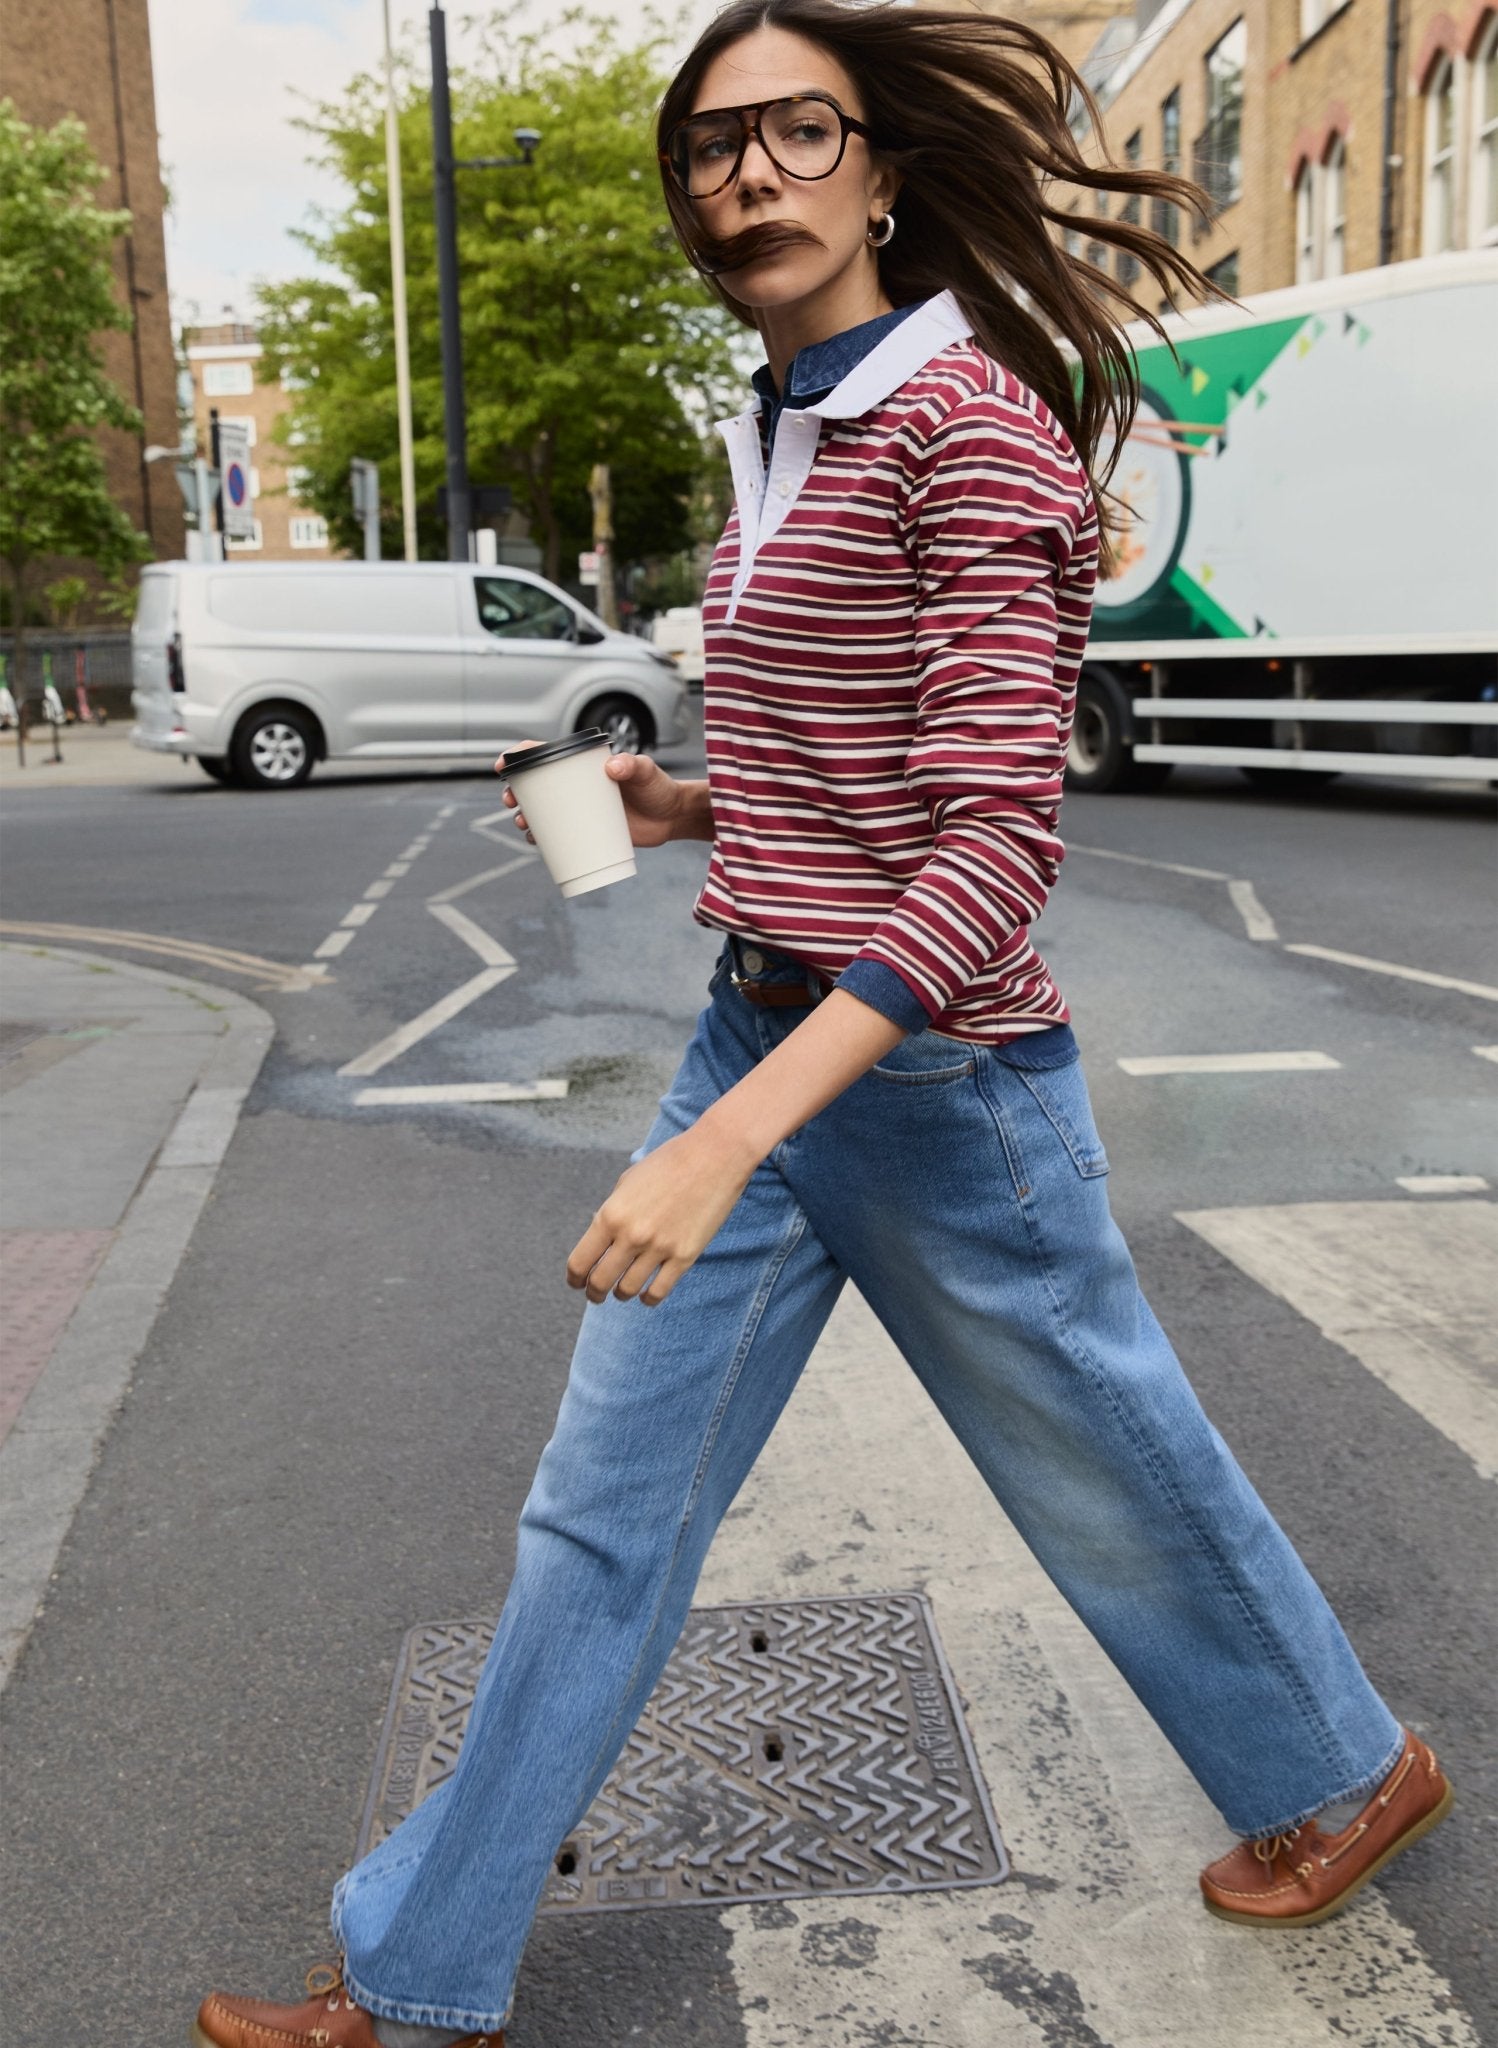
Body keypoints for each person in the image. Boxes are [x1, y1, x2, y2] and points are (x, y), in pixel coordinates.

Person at [194, 5, 1451, 2044]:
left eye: (793, 131)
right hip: (759, 1028)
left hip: (936, 1086)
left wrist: (711, 1141)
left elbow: (982, 858)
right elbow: (845, 748)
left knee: (1110, 1461)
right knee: (599, 1515)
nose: (744, 173)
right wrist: (694, 802)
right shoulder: (782, 414)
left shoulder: (974, 431)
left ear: (880, 171)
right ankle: (414, 1977)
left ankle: (1345, 1770)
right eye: (707, 146)